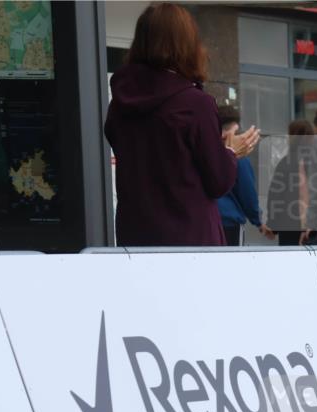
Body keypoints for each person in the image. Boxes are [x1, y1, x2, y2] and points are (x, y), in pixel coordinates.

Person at [103, 3, 259, 246]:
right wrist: (230, 152)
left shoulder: (120, 104)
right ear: (186, 44)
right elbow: (217, 181)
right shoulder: (195, 104)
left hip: (134, 240)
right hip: (190, 243)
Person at [216, 105, 276, 245]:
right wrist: (259, 221)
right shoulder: (238, 157)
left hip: (207, 222)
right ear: (231, 131)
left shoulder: (206, 151)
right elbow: (247, 192)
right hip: (230, 224)